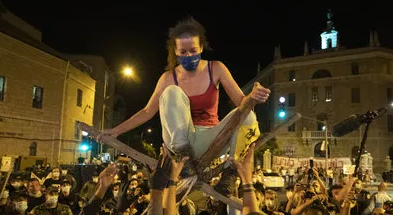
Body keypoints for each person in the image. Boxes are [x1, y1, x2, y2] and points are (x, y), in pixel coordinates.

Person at [99, 18, 270, 165]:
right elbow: (147, 111)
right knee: (171, 92)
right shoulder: (168, 78)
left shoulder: (216, 69)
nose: (189, 56)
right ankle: (184, 157)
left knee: (248, 115)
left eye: (193, 51)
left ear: (201, 47)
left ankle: (231, 171)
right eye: (183, 52)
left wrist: (253, 97)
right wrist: (116, 131)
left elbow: (241, 102)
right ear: (175, 51)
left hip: (211, 139)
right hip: (181, 141)